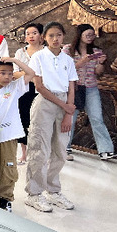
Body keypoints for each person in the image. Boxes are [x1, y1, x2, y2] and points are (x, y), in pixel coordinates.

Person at [25, 22, 78, 213]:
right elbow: (39, 86)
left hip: (64, 104)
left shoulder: (68, 60)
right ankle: (34, 194)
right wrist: (65, 106)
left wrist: (68, 113)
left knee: (60, 150)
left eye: (59, 35)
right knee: (39, 149)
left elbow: (71, 87)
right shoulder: (38, 57)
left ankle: (53, 190)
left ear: (63, 37)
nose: (55, 39)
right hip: (45, 103)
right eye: (51, 36)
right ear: (44, 38)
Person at [0, 57, 35, 211]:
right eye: (3, 73)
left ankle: (5, 199)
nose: (7, 77)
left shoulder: (14, 88)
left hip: (9, 137)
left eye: (10, 73)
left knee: (8, 168)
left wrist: (14, 60)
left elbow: (31, 73)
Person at [65, 24, 117, 161]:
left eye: (92, 35)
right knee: (70, 118)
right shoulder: (68, 50)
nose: (90, 37)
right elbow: (64, 70)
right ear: (80, 35)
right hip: (74, 88)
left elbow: (98, 73)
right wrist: (82, 62)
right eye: (87, 35)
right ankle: (64, 147)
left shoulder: (96, 51)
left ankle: (105, 150)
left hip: (91, 88)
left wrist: (101, 63)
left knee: (97, 118)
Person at [14, 23, 44, 164]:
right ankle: (24, 153)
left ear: (41, 36)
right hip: (24, 90)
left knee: (38, 122)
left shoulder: (46, 52)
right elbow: (15, 73)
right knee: (23, 120)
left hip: (41, 90)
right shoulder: (20, 53)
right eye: (28, 34)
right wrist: (33, 76)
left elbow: (45, 73)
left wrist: (27, 74)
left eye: (34, 33)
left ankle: (39, 153)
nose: (31, 36)